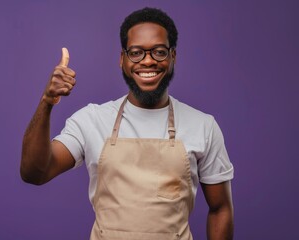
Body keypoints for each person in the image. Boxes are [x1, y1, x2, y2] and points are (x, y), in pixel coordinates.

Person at [21, 7, 234, 240]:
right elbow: (34, 173)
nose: (148, 61)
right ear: (122, 59)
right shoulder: (92, 119)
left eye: (159, 52)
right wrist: (47, 101)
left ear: (173, 57)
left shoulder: (203, 126)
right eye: (136, 53)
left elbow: (220, 208)